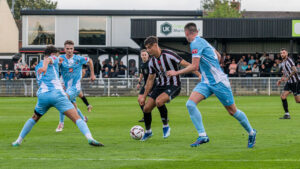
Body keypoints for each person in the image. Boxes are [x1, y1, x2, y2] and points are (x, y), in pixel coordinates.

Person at [167, 22, 256, 148]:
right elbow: (218, 56)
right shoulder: (204, 41)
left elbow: (194, 66)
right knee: (190, 104)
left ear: (186, 33)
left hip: (219, 82)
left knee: (232, 111)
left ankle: (251, 132)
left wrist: (176, 72)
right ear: (196, 31)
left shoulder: (195, 44)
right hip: (206, 81)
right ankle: (203, 135)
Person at [11, 45, 103, 147]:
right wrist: (46, 66)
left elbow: (48, 62)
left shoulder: (38, 66)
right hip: (57, 95)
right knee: (77, 118)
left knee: (34, 118)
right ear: (53, 54)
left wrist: (47, 65)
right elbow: (49, 60)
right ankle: (90, 138)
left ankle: (18, 141)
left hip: (43, 97)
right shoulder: (51, 59)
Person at [139, 36, 201, 141]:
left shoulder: (169, 54)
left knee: (159, 101)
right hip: (160, 86)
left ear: (155, 45)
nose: (148, 51)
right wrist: (144, 96)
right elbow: (150, 80)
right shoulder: (151, 62)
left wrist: (199, 75)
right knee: (146, 108)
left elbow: (187, 64)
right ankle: (148, 132)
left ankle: (166, 126)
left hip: (174, 85)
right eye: (147, 48)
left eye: (149, 48)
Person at [56, 40, 96, 132]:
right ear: (64, 49)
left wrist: (92, 74)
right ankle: (83, 119)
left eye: (71, 49)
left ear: (73, 49)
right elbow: (53, 64)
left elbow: (90, 60)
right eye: (67, 49)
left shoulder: (78, 58)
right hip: (66, 87)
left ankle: (61, 123)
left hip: (75, 87)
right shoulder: (60, 58)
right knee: (73, 107)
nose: (69, 50)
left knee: (63, 99)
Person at [136, 49, 168, 123]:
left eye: (145, 55)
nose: (144, 56)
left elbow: (158, 71)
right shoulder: (142, 64)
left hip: (153, 84)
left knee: (158, 101)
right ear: (141, 56)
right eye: (142, 55)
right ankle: (145, 115)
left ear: (148, 55)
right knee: (140, 99)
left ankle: (165, 117)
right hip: (146, 84)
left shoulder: (151, 63)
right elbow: (142, 73)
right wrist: (139, 82)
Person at [277, 48, 300, 119]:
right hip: (289, 83)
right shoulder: (283, 62)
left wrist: (288, 78)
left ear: (286, 53)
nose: (282, 54)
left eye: (283, 53)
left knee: (298, 101)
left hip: (295, 82)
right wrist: (281, 80)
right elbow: (286, 73)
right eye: (281, 53)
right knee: (283, 96)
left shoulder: (289, 60)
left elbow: (295, 70)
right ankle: (287, 114)